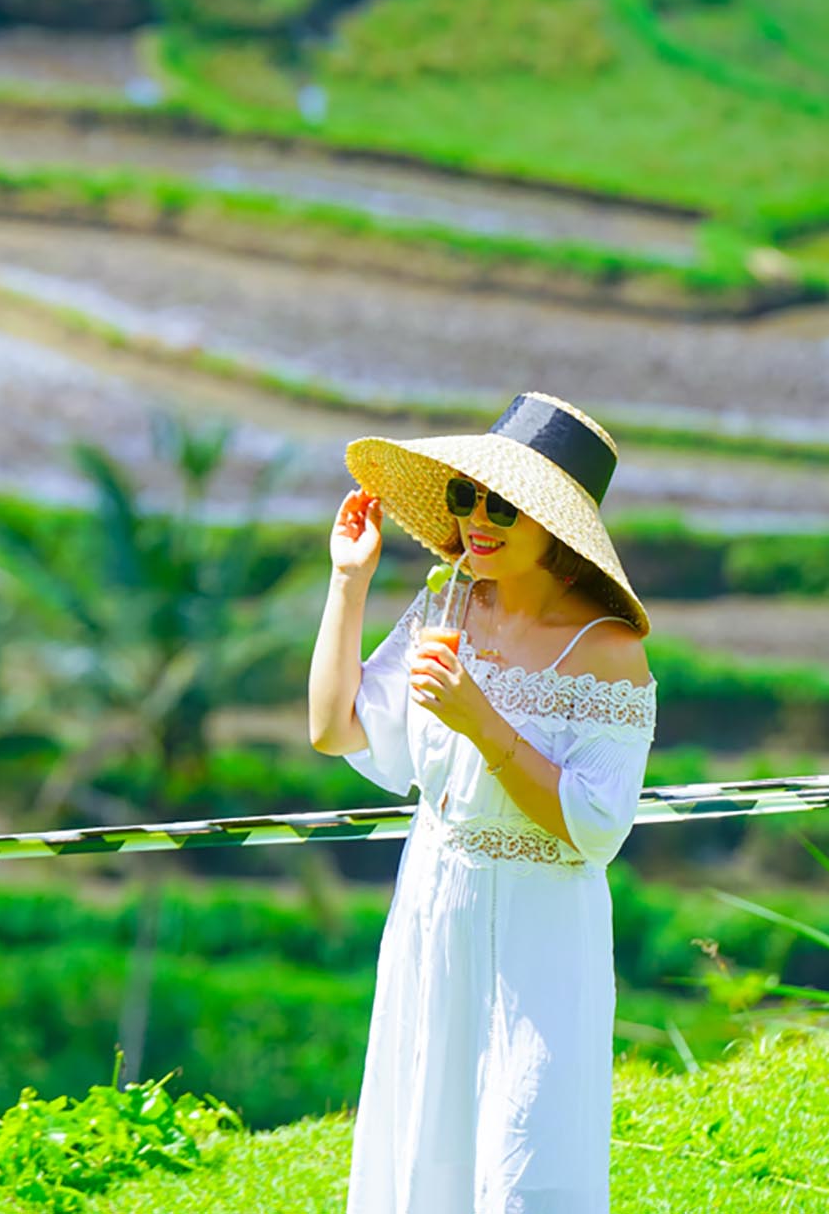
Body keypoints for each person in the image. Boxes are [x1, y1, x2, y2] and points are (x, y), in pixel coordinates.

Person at [308, 390, 657, 1214]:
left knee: (527, 1149)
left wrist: (481, 718)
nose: (476, 519)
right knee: (422, 1140)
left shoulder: (611, 653)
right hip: (436, 901)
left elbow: (594, 829)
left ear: (554, 525)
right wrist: (347, 582)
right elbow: (334, 726)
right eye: (466, 496)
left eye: (502, 502)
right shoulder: (447, 607)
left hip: (544, 926)